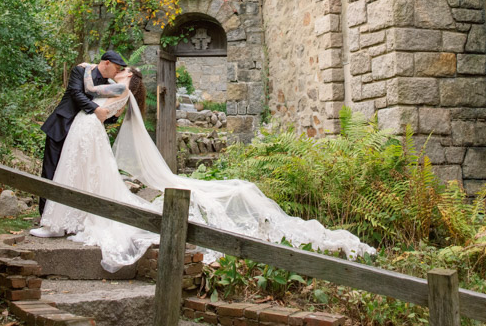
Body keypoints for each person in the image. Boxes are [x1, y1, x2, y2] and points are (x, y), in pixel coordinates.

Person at [30, 65, 375, 271]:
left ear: (129, 82)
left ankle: (71, 217)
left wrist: (90, 105)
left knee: (92, 182)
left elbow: (103, 113)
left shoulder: (121, 94)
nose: (120, 72)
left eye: (125, 73)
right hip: (84, 137)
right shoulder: (108, 85)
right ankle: (64, 217)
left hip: (90, 134)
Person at [37, 50, 127, 214]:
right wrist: (96, 109)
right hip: (62, 126)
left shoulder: (109, 83)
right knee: (51, 171)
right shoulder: (81, 70)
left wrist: (113, 116)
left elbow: (103, 112)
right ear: (106, 62)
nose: (118, 72)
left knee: (73, 174)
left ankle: (65, 213)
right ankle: (44, 214)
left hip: (81, 134)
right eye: (116, 67)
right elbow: (76, 93)